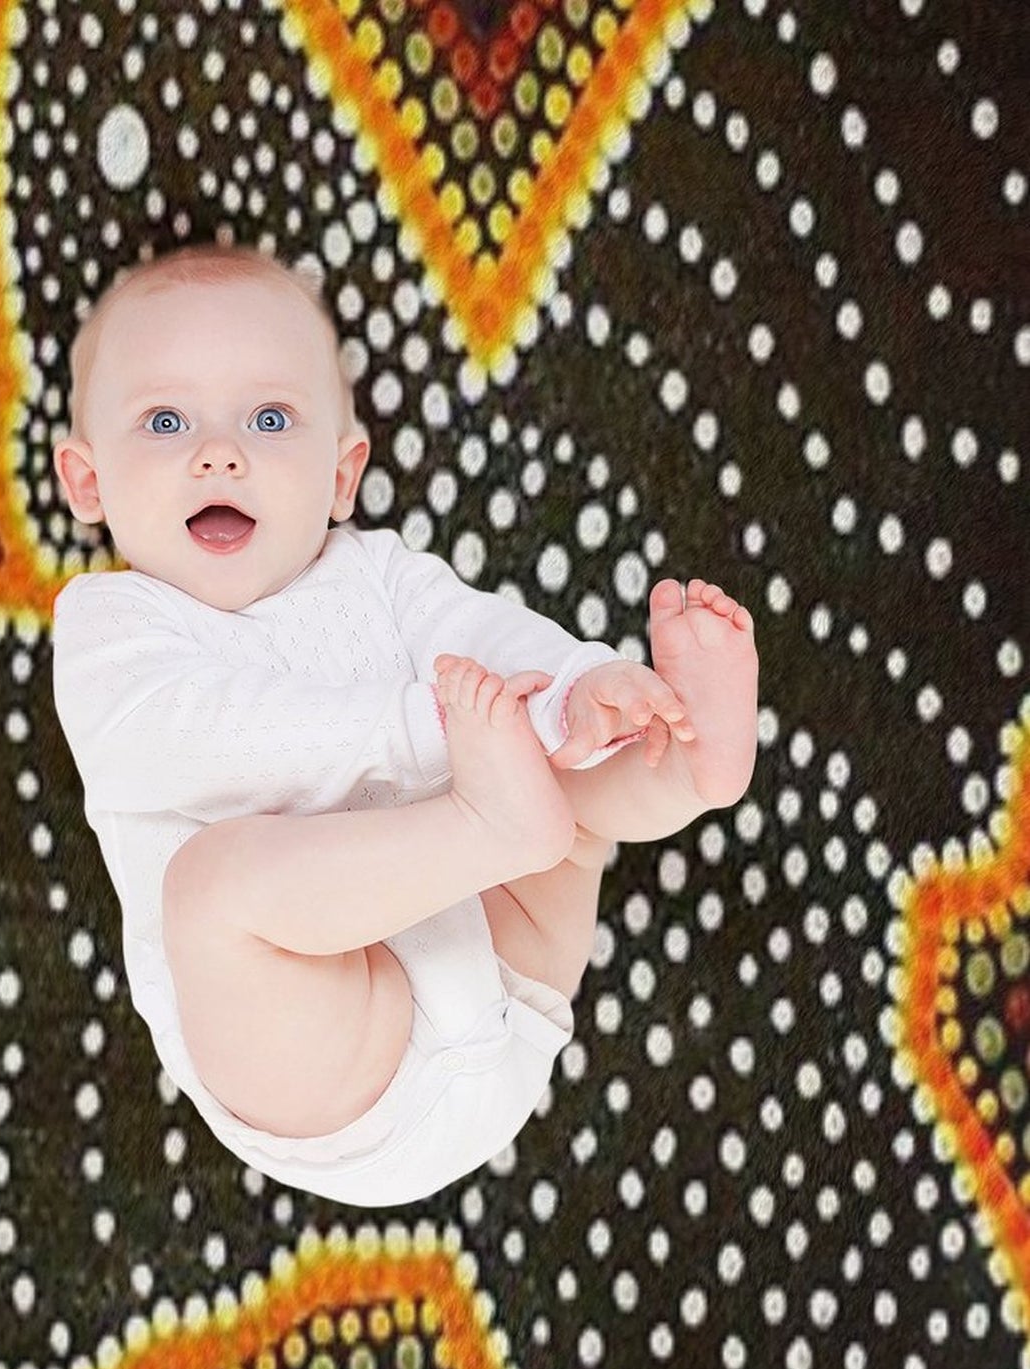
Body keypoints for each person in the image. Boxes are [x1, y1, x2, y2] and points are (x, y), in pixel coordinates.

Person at [50, 241, 759, 1206]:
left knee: (561, 771)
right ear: (87, 485)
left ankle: (679, 765)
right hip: (338, 1066)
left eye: (269, 417)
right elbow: (207, 739)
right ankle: (496, 821)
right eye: (165, 420)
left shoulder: (377, 573)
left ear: (341, 476)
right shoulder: (112, 629)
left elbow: (482, 634)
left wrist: (575, 687)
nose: (220, 453)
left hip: (511, 975)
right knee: (209, 890)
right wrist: (430, 730)